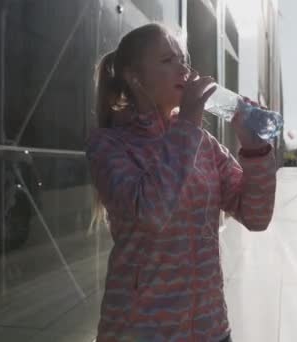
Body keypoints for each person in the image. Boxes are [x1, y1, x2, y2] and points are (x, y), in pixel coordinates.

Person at [86, 23, 277, 342]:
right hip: (139, 331)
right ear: (135, 78)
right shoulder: (108, 145)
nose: (183, 69)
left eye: (183, 60)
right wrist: (188, 122)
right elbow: (151, 211)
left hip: (210, 328)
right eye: (167, 60)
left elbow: (256, 217)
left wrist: (255, 150)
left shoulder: (204, 145)